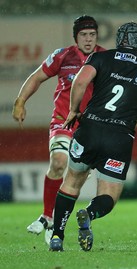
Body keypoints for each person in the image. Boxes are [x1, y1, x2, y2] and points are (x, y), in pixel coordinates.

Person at [48, 21, 137, 252]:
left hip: (89, 130)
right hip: (119, 138)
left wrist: (75, 110)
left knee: (71, 182)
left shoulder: (101, 57)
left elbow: (79, 81)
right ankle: (89, 213)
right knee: (109, 195)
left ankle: (57, 236)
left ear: (120, 40)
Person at [12, 15, 106, 244]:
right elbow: (37, 78)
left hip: (90, 128)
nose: (88, 39)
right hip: (64, 122)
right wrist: (20, 101)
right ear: (76, 37)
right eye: (84, 35)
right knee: (58, 162)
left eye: (92, 34)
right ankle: (47, 216)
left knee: (79, 176)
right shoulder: (63, 56)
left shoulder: (105, 57)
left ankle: (61, 219)